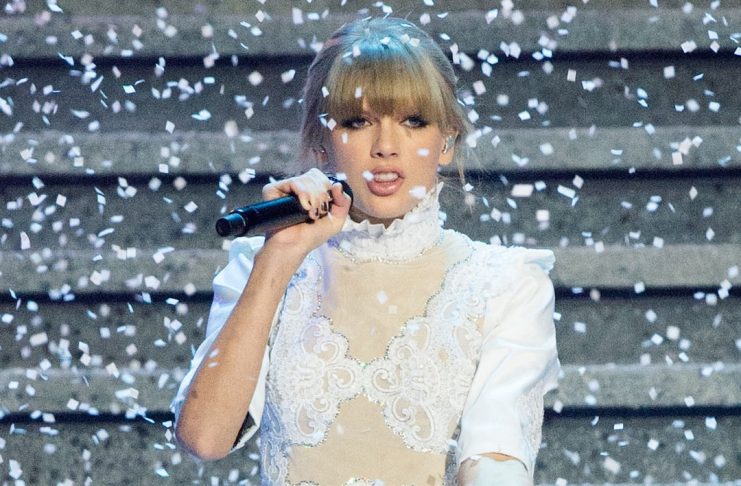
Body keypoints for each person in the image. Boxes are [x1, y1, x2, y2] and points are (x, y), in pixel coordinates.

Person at [172, 16, 560, 485]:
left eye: (413, 121)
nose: (385, 146)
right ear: (321, 143)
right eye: (358, 122)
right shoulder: (265, 265)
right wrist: (279, 257)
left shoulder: (505, 283)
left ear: (447, 142)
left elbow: (496, 461)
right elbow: (204, 438)